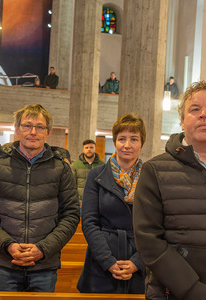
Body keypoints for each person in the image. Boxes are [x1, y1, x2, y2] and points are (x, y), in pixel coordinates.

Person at [133, 79, 206, 300]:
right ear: (182, 121)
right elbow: (148, 240)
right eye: (195, 109)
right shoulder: (155, 170)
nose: (204, 114)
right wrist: (197, 291)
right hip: (172, 293)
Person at [0, 104, 80, 292]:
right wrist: (8, 245)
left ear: (47, 132)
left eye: (40, 127)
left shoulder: (61, 169)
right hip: (6, 262)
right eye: (27, 125)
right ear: (16, 129)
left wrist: (43, 249)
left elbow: (70, 215)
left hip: (44, 265)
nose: (33, 132)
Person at [77, 113, 146, 294]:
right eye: (122, 139)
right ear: (115, 141)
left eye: (134, 139)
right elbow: (89, 222)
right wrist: (108, 261)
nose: (127, 145)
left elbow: (157, 226)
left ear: (142, 144)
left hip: (139, 258)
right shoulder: (97, 175)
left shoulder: (151, 177)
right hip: (102, 261)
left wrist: (137, 262)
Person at [71, 139, 105, 206]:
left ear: (95, 149)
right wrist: (77, 201)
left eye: (91, 147)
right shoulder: (75, 165)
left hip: (97, 204)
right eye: (86, 148)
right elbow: (72, 186)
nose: (89, 149)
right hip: (80, 204)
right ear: (83, 150)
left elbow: (104, 186)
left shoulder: (103, 166)